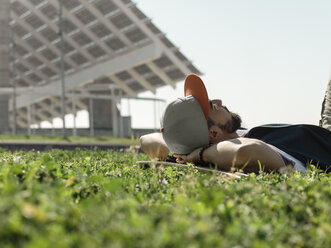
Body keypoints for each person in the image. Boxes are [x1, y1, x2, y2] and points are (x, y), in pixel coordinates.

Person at [140, 74, 331, 173]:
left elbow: (146, 140)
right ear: (213, 133)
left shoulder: (216, 144)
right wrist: (200, 154)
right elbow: (246, 152)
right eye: (213, 107)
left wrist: (181, 150)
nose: (220, 102)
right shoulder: (242, 150)